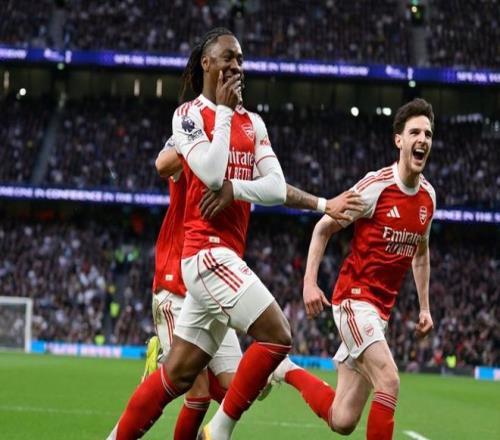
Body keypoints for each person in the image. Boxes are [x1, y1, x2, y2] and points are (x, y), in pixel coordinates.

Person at [109, 27, 362, 440]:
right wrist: (223, 116)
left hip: (223, 258)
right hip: (203, 255)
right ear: (207, 63)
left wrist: (238, 189)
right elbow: (208, 174)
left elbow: (274, 187)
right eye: (228, 58)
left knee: (182, 376)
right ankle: (219, 431)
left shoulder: (254, 123)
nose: (237, 66)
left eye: (241, 59)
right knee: (276, 336)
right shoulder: (189, 116)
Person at [267, 98, 436, 440]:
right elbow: (323, 228)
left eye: (428, 134)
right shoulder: (376, 186)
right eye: (415, 132)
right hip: (353, 301)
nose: (423, 139)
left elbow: (420, 254)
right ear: (399, 140)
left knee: (342, 419)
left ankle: (285, 370)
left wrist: (424, 308)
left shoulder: (428, 198)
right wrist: (309, 283)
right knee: (389, 380)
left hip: (380, 313)